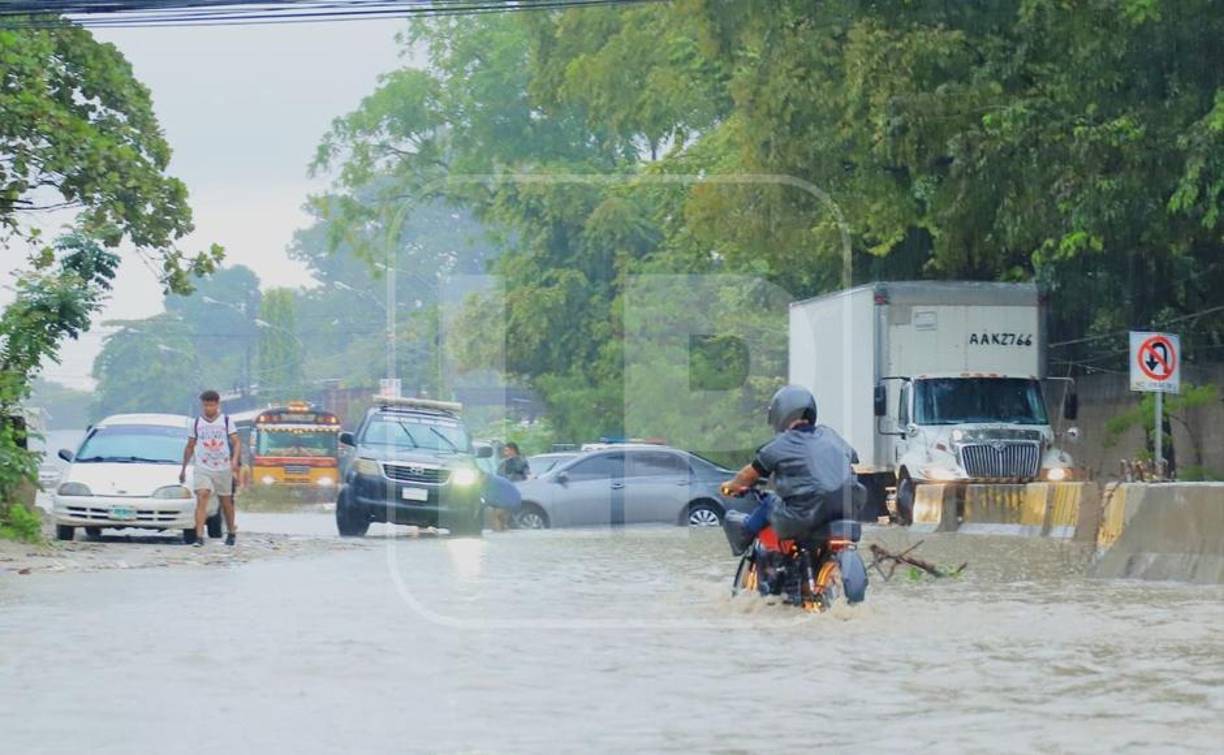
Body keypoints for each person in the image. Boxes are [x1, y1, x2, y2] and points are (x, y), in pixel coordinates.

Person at [721, 385, 859, 555]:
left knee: (771, 502)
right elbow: (852, 459)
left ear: (780, 414)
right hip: (847, 507)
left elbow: (747, 475)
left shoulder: (779, 445)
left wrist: (731, 486)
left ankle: (746, 535)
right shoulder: (830, 436)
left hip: (803, 515)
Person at [179, 389, 241, 546]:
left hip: (223, 467)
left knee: (226, 501)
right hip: (203, 466)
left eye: (211, 405)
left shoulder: (226, 421)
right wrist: (183, 468)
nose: (208, 409)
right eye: (205, 405)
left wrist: (234, 460)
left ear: (217, 404)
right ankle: (199, 537)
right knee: (202, 496)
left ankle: (231, 532)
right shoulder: (196, 423)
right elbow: (190, 446)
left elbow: (236, 442)